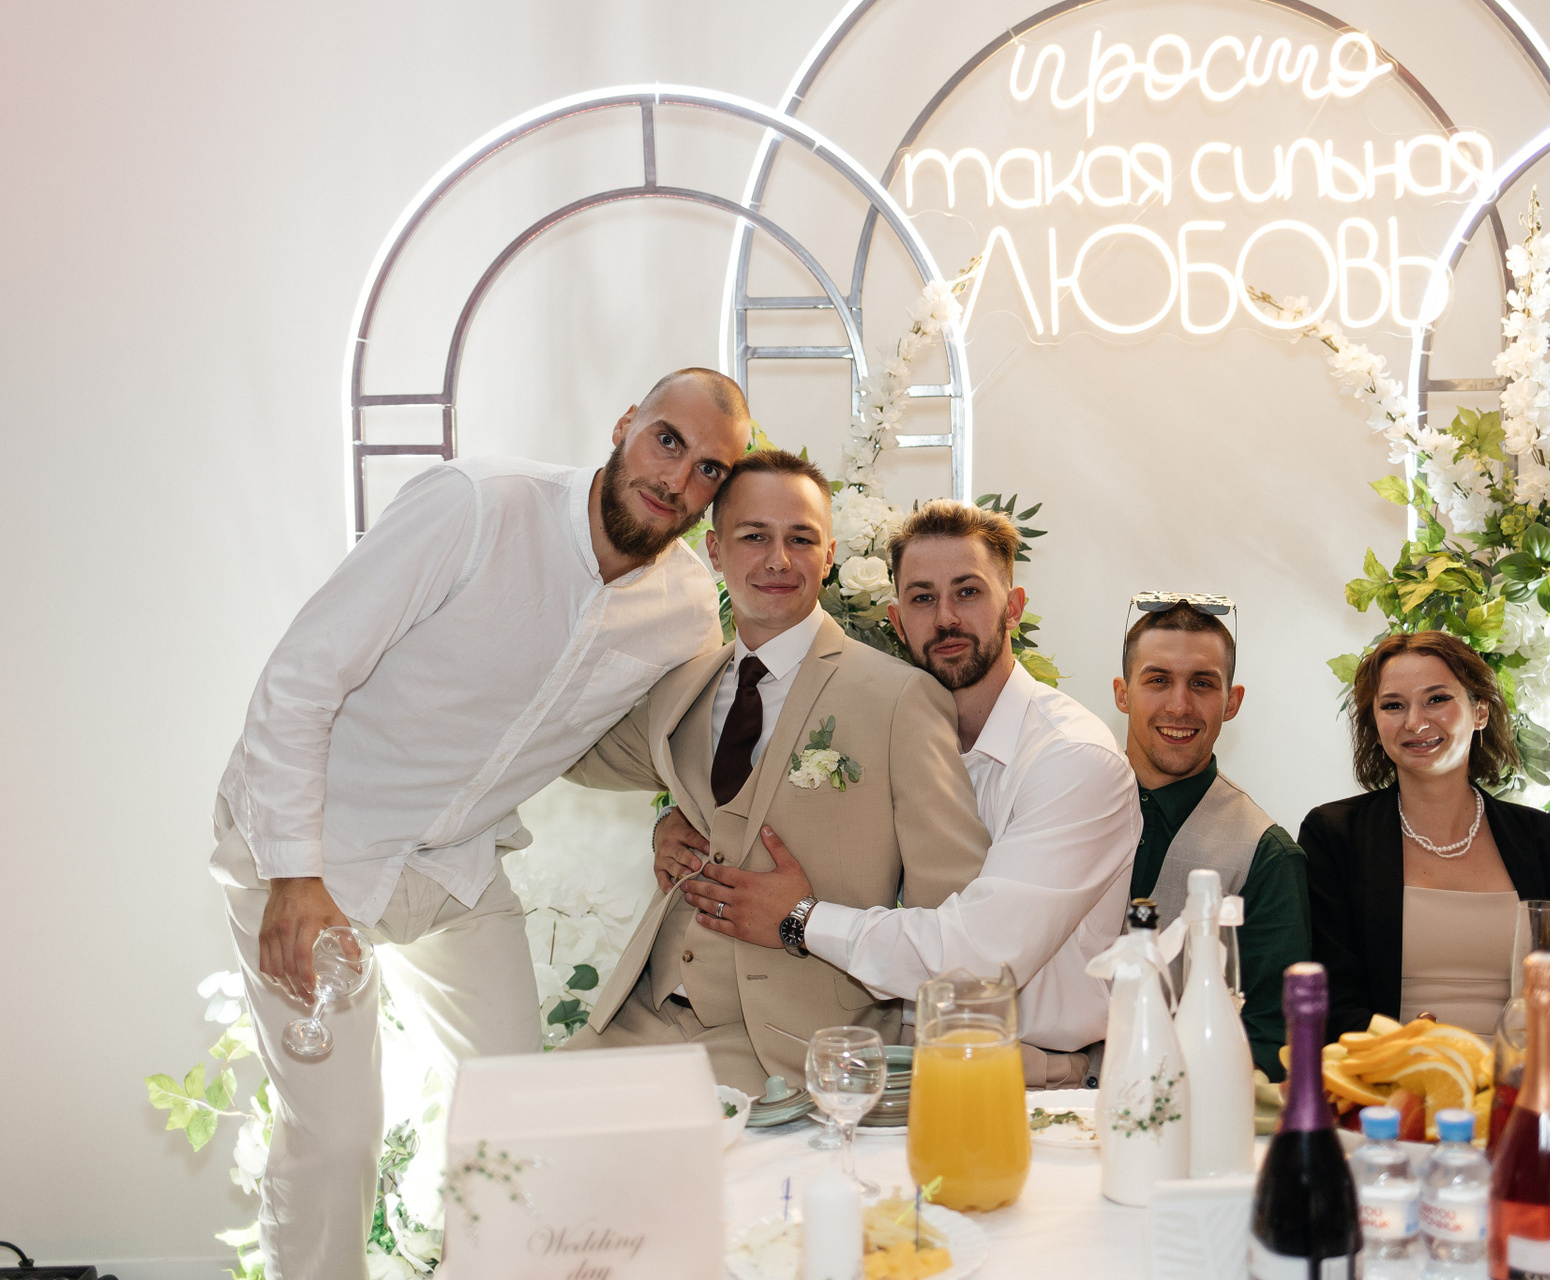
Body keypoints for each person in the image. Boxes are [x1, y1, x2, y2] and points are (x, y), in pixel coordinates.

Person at [208, 369, 752, 1280]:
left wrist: (670, 814)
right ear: (625, 423)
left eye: (708, 470)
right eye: (668, 440)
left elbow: (671, 736)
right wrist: (293, 876)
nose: (676, 478)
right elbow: (302, 676)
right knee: (336, 1141)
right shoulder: (476, 505)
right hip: (317, 846)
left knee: (519, 1125)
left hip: (458, 870)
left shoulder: (687, 607)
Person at [661, 500, 1139, 1086]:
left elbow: (979, 959)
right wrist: (678, 823)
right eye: (922, 598)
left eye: (968, 592)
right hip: (893, 1057)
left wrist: (801, 919)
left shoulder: (1073, 759)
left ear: (1012, 607)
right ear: (896, 619)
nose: (945, 618)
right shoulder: (887, 730)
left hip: (1032, 1079)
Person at [561, 455, 990, 1091]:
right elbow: (567, 750)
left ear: (830, 554)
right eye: (754, 536)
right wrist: (663, 825)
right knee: (517, 1129)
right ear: (714, 550)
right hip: (641, 1017)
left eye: (801, 539)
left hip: (788, 1047)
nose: (778, 560)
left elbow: (954, 910)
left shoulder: (901, 698)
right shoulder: (682, 686)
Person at [1299, 630, 1550, 1048]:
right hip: (1396, 1075)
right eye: (1393, 705)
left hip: (1525, 1077)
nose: (1415, 722)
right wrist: (1436, 1063)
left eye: (1437, 699)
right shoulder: (1334, 834)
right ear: (1375, 726)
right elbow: (1334, 1006)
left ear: (1480, 711)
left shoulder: (1544, 839)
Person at [1112, 594, 1312, 1079]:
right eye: (1158, 680)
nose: (1179, 705)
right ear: (1122, 693)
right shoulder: (1057, 803)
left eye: (1202, 684)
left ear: (1232, 702)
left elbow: (1272, 1044)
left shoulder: (1267, 856)